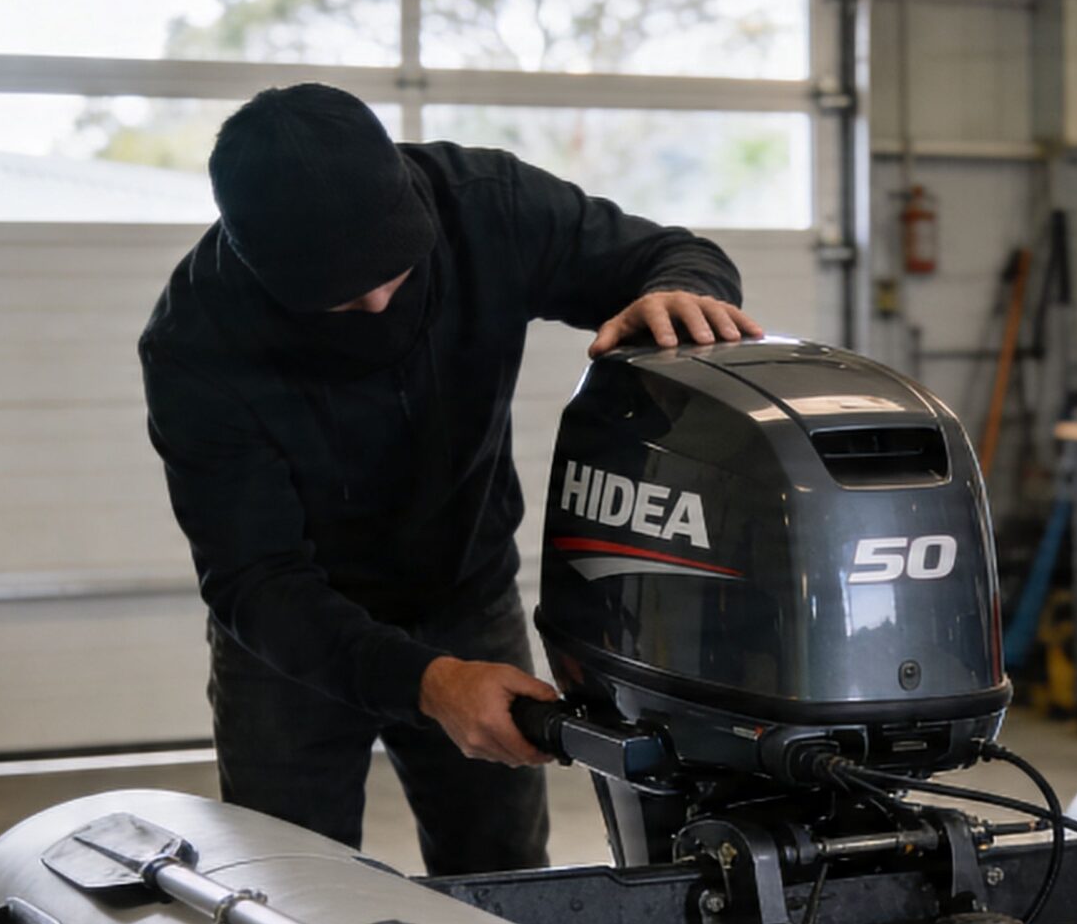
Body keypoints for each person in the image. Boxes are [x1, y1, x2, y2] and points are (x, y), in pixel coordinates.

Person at [139, 84, 760, 876]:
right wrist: (427, 681)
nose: (373, 303)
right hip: (294, 642)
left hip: (465, 596)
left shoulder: (486, 208)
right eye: (337, 297)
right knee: (286, 889)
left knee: (500, 869)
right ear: (259, 264)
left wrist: (685, 293)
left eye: (393, 273)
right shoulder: (195, 341)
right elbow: (255, 581)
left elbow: (668, 254)